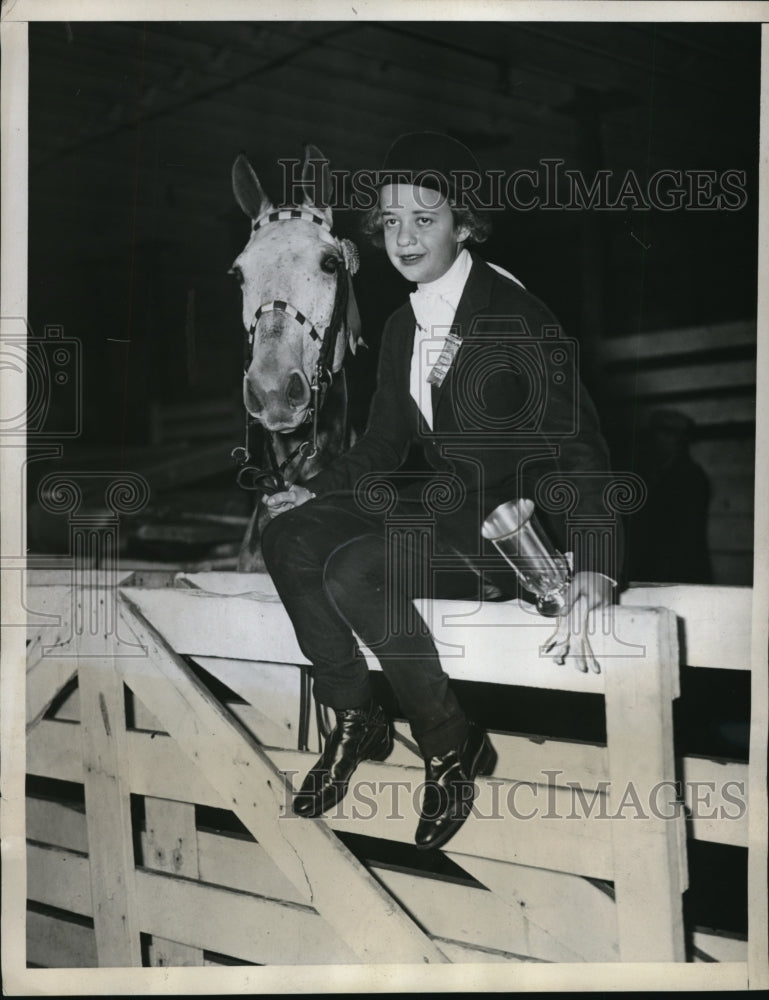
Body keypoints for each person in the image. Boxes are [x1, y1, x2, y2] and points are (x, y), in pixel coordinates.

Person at [260, 132, 618, 851]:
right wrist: (316, 491)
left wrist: (597, 559)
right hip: (436, 508)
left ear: (463, 223)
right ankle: (356, 717)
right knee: (289, 536)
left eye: (424, 219)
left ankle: (451, 746)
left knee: (355, 568)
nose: (404, 237)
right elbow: (384, 449)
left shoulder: (517, 312)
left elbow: (580, 441)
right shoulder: (400, 326)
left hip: (506, 530)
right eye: (391, 222)